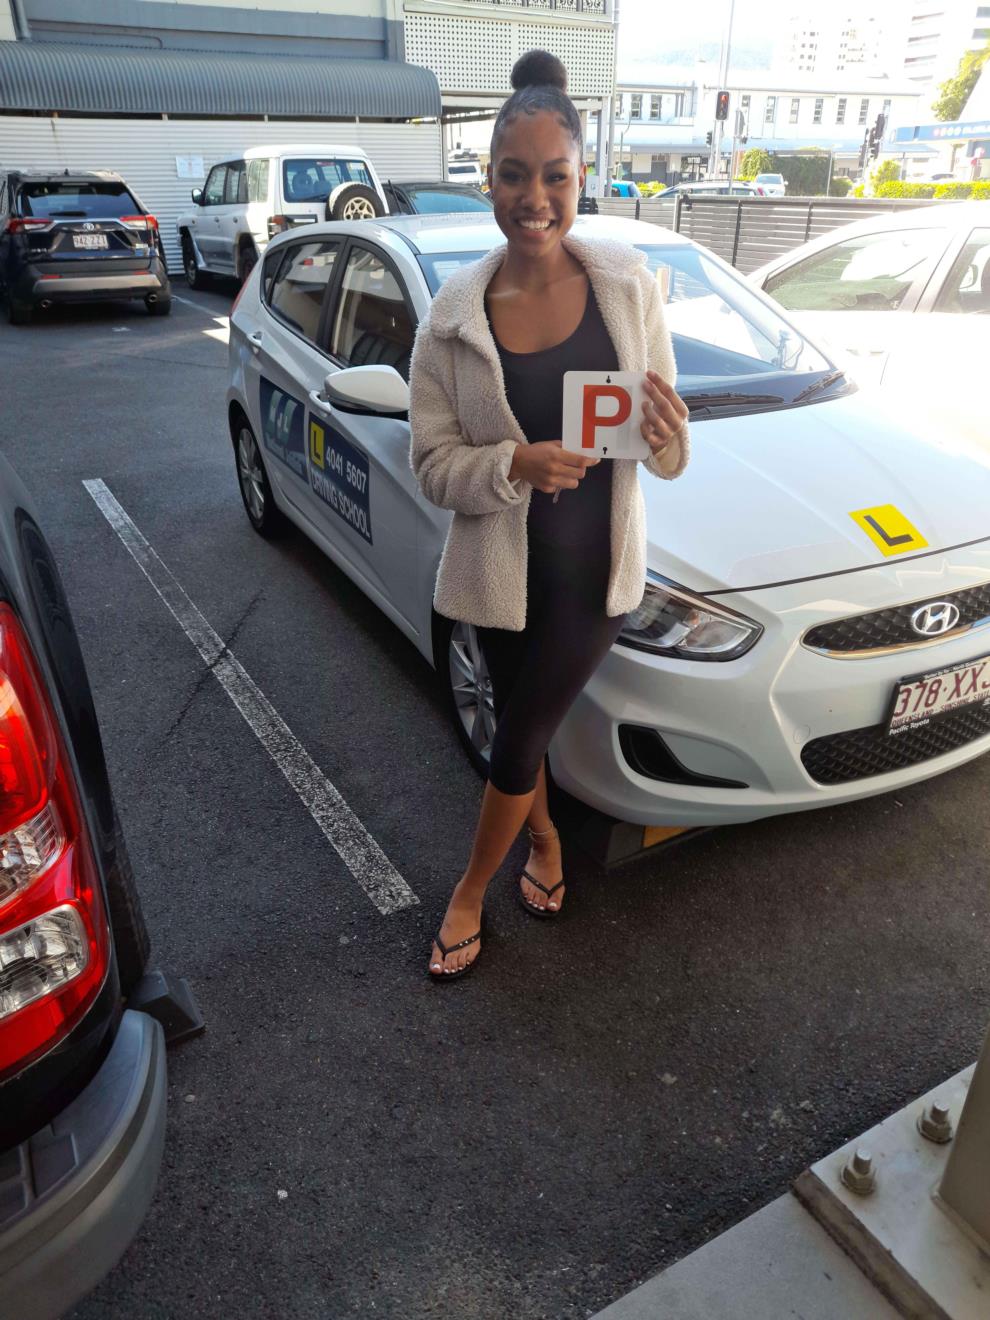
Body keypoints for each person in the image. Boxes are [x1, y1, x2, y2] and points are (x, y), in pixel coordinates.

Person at [409, 49, 690, 980]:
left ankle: (466, 893)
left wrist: (669, 433)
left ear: (581, 177)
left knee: (521, 736)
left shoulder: (627, 288)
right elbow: (432, 466)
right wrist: (514, 464)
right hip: (497, 577)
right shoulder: (453, 317)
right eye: (515, 175)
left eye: (556, 176)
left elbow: (666, 448)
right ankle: (543, 844)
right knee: (514, 735)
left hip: (592, 578)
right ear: (488, 180)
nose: (535, 198)